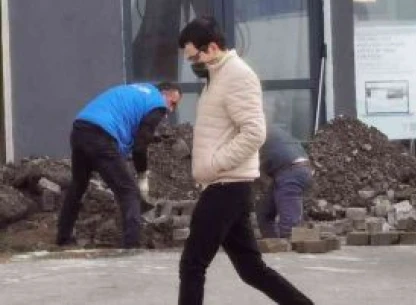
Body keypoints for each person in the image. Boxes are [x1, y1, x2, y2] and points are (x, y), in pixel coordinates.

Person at [176, 16, 313, 305]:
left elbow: (254, 133)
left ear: (212, 48)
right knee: (251, 269)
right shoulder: (217, 78)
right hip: (228, 185)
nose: (192, 64)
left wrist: (214, 164)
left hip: (225, 184)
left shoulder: (238, 75)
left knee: (192, 264)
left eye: (194, 57)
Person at [56, 81, 183, 249]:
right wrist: (142, 176)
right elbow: (139, 147)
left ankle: (63, 238)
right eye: (172, 103)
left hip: (80, 129)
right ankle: (132, 246)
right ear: (164, 93)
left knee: (78, 184)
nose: (170, 110)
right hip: (101, 135)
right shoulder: (157, 104)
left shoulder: (137, 91)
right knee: (129, 191)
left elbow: (126, 124)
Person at [256, 123, 314, 239]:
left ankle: (289, 247)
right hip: (295, 170)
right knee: (264, 212)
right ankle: (271, 242)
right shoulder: (271, 129)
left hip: (291, 172)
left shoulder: (255, 130)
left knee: (289, 226)